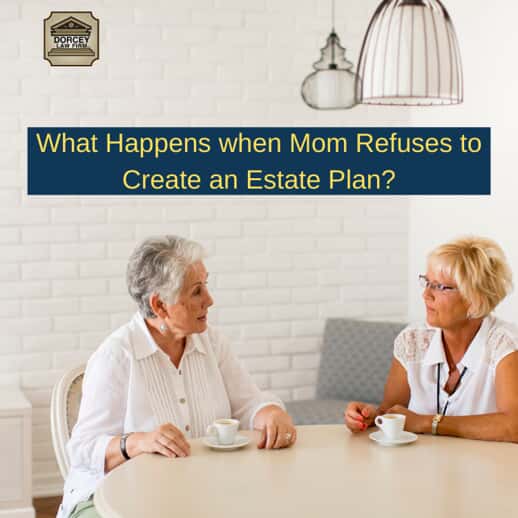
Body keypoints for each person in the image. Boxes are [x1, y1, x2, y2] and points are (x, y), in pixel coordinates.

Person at [58, 236, 296, 518]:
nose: (209, 300)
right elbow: (82, 450)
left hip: (195, 493)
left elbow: (248, 402)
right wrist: (137, 442)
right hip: (110, 500)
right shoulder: (116, 357)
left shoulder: (211, 342)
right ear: (159, 305)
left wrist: (268, 412)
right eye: (196, 292)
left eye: (206, 286)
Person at [345, 236, 518, 443]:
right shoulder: (412, 340)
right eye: (426, 282)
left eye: (439, 286)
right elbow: (391, 411)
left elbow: (513, 426)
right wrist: (370, 416)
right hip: (422, 468)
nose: (426, 295)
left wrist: (427, 422)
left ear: (475, 298)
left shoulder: (505, 345)